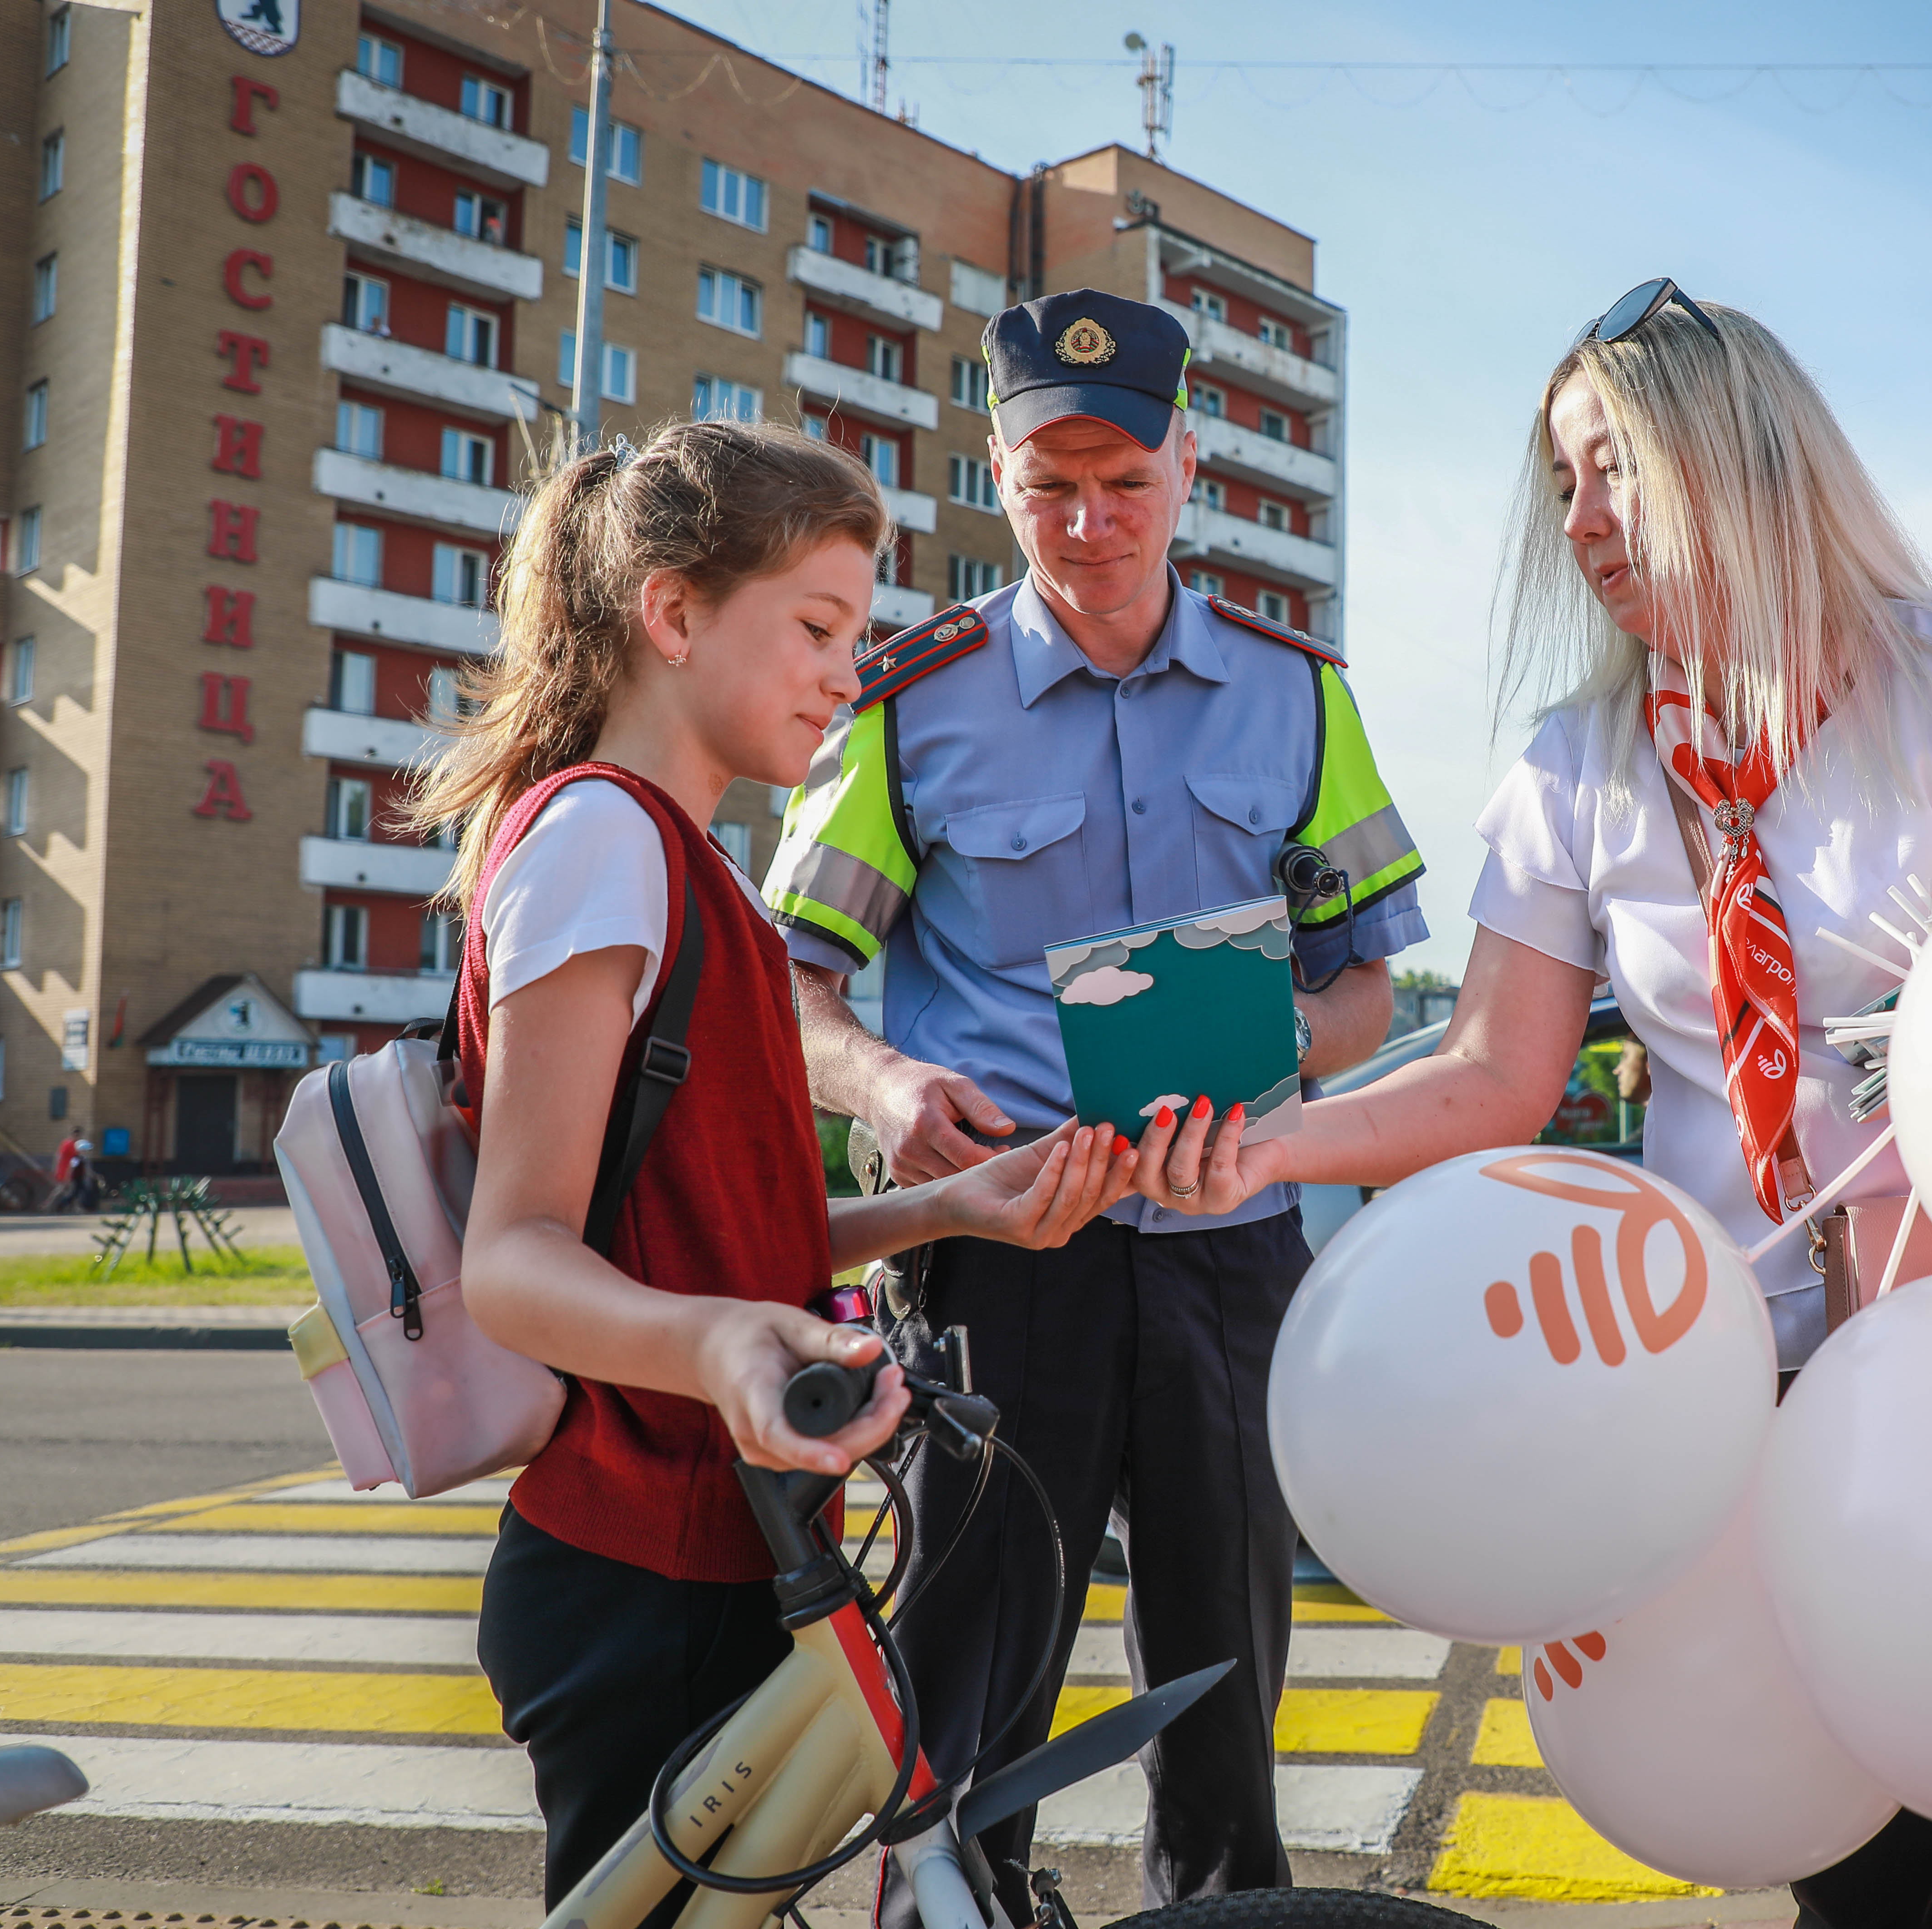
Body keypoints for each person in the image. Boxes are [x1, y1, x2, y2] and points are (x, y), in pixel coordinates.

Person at [1162, 282, 1932, 1929]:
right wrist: (1273, 1139)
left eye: (1611, 470)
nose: (1577, 521)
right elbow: (1497, 1073)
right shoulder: (1576, 771)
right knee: (1858, 1877)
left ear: (1742, 458)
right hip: (1746, 1394)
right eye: (1558, 484)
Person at [409, 419, 1148, 1914]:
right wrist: (728, 1344)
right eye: (816, 628)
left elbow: (711, 1218)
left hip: (729, 1529)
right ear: (672, 616)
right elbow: (519, 1255)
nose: (847, 669)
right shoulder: (600, 842)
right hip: (642, 1559)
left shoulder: (695, 868)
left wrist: (949, 1208)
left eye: (859, 634)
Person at [762, 289, 1429, 1919]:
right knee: (966, 1710)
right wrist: (891, 1080)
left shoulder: (1301, 697)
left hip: (1232, 1250)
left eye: (1125, 479)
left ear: (1188, 462)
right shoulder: (909, 698)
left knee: (1227, 1703)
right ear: (995, 475)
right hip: (1002, 1261)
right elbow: (791, 990)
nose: (1090, 521)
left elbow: (1370, 987)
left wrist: (1277, 1071)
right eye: (1049, 483)